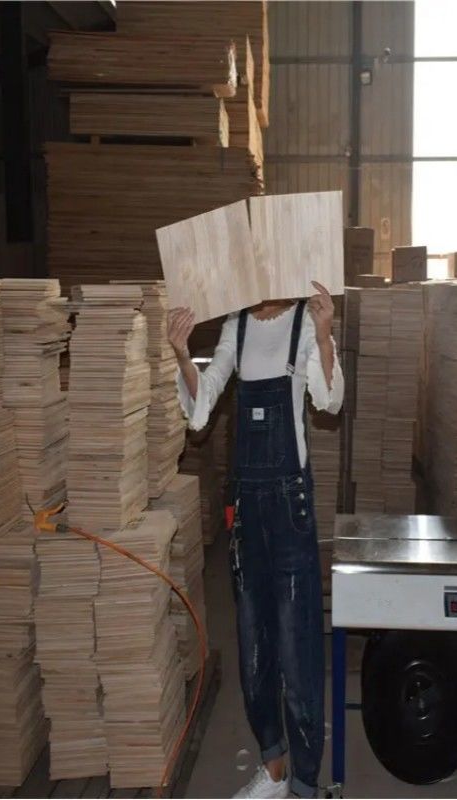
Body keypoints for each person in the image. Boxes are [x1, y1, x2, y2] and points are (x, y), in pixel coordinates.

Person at [168, 282, 344, 799]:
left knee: (297, 643)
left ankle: (306, 782)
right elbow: (201, 408)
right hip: (246, 505)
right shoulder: (237, 326)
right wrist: (182, 355)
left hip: (290, 506)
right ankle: (274, 767)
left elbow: (329, 402)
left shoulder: (304, 322)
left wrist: (325, 335)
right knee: (254, 646)